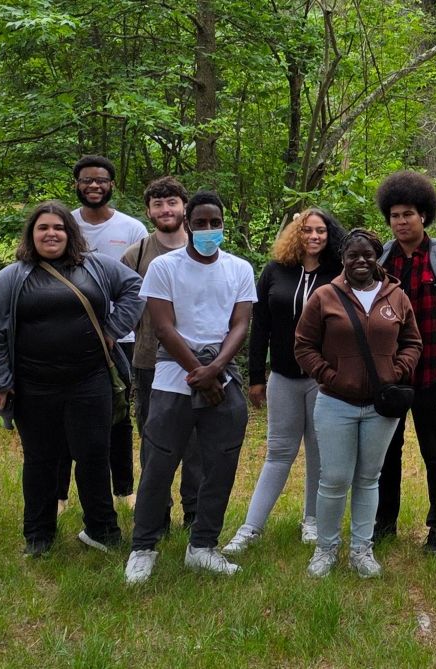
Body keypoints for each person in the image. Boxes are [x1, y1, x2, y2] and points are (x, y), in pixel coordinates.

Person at [0, 200, 144, 557]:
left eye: (58, 227)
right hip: (34, 386)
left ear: (70, 233)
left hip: (90, 381)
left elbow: (135, 288)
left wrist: (113, 329)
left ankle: (102, 530)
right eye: (43, 228)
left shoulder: (96, 267)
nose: (51, 234)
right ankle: (38, 536)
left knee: (94, 455)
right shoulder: (10, 278)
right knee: (40, 459)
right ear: (32, 234)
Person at [124, 191, 256, 584]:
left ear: (224, 224)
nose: (208, 230)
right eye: (200, 223)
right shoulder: (164, 267)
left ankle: (203, 546)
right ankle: (143, 548)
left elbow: (240, 325)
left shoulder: (239, 269)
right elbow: (163, 327)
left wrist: (215, 369)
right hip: (173, 376)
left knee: (220, 464)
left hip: (223, 372)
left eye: (215, 223)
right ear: (187, 224)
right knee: (159, 464)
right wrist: (200, 372)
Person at [294, 229, 422, 578]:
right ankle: (325, 549)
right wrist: (329, 375)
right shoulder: (324, 297)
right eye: (353, 255)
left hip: (381, 406)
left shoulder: (396, 297)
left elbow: (412, 342)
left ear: (377, 257)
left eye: (368, 255)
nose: (361, 261)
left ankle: (361, 550)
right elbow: (303, 345)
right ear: (343, 259)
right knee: (334, 478)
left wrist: (396, 370)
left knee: (368, 478)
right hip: (336, 402)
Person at [223, 208, 346, 554]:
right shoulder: (275, 271)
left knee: (319, 453)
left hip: (324, 380)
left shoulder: (338, 273)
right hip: (282, 376)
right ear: (296, 233)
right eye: (307, 230)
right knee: (278, 452)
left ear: (330, 235)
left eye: (321, 231)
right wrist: (256, 378)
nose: (314, 236)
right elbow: (259, 324)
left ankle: (313, 521)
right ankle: (250, 528)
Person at [373, 170, 436, 555]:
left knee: (434, 453)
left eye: (408, 214)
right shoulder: (381, 260)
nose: (401, 222)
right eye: (395, 215)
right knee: (386, 454)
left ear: (423, 215)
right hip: (391, 376)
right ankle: (384, 524)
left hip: (431, 376)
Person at [58, 155, 148, 512]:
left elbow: (139, 288)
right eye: (86, 180)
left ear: (112, 185)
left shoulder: (132, 229)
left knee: (119, 413)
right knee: (63, 415)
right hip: (69, 338)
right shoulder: (65, 225)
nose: (94, 186)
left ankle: (124, 489)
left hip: (119, 340)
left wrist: (114, 329)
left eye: (101, 180)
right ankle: (59, 495)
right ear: (76, 184)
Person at [121, 176, 201, 531]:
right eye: (158, 204)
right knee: (155, 443)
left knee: (197, 442)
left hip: (199, 362)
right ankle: (157, 516)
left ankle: (195, 515)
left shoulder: (204, 249)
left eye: (172, 202)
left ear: (185, 207)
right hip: (149, 362)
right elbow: (120, 305)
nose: (166, 209)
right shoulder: (135, 254)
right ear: (148, 212)